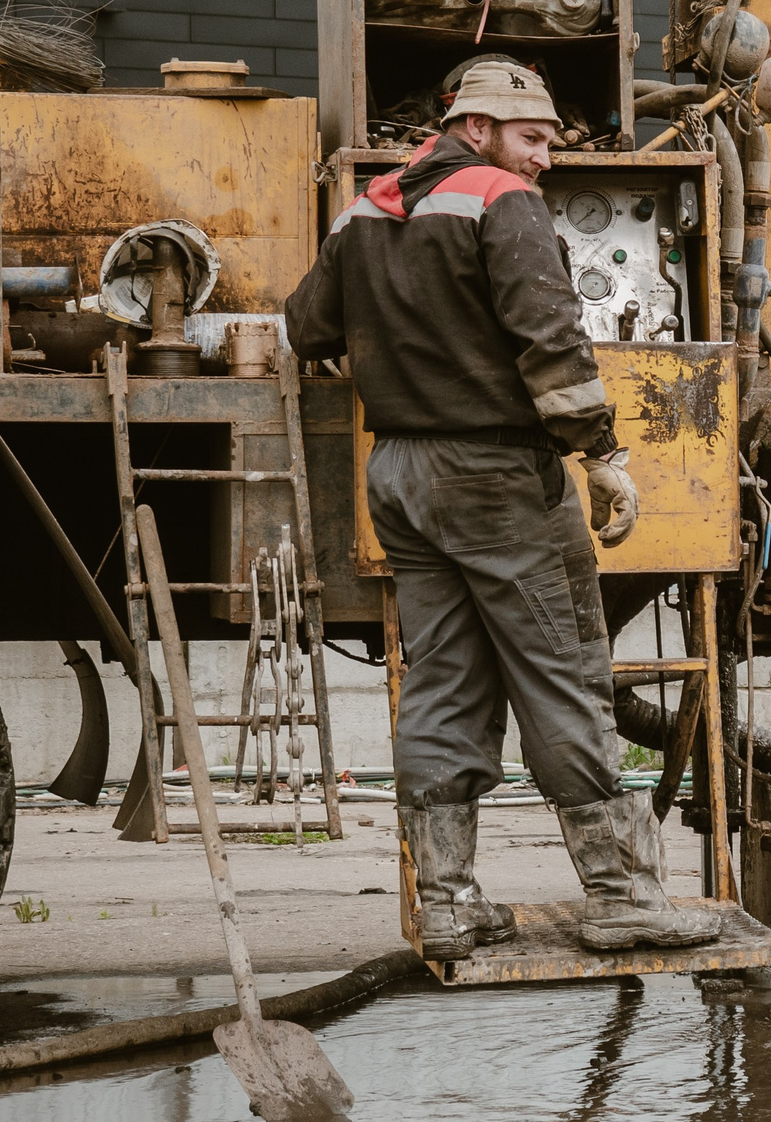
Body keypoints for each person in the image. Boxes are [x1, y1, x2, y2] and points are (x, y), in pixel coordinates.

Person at [289, 58, 717, 960]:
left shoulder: (366, 210)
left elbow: (308, 327)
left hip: (399, 475)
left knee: (443, 680)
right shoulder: (499, 201)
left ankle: (446, 906)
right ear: (475, 129)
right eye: (534, 137)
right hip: (494, 474)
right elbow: (552, 340)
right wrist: (601, 456)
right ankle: (621, 898)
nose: (548, 158)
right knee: (563, 669)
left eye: (552, 139)